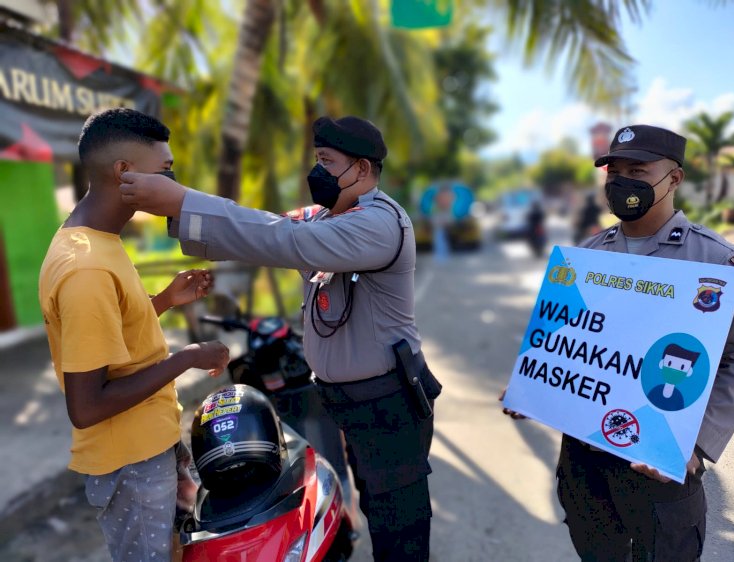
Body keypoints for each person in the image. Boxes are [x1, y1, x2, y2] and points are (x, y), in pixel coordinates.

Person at [118, 115, 442, 561]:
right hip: (344, 400)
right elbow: (262, 231)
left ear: (363, 170)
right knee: (368, 500)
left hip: (386, 403)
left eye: (328, 162)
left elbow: (287, 241)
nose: (318, 173)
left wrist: (183, 201)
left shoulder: (379, 223)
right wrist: (180, 207)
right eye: (317, 160)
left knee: (398, 528)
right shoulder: (327, 218)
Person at [501, 124, 734, 560]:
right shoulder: (586, 255)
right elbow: (568, 338)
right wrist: (534, 389)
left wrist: (697, 446)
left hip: (658, 464)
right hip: (584, 460)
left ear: (674, 179)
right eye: (613, 172)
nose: (620, 183)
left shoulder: (720, 262)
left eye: (637, 170)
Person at [38, 108, 230, 562]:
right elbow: (86, 406)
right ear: (123, 172)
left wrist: (163, 300)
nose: (174, 183)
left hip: (148, 445)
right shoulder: (85, 267)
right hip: (130, 463)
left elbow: (114, 335)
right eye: (165, 171)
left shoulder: (99, 240)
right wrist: (185, 359)